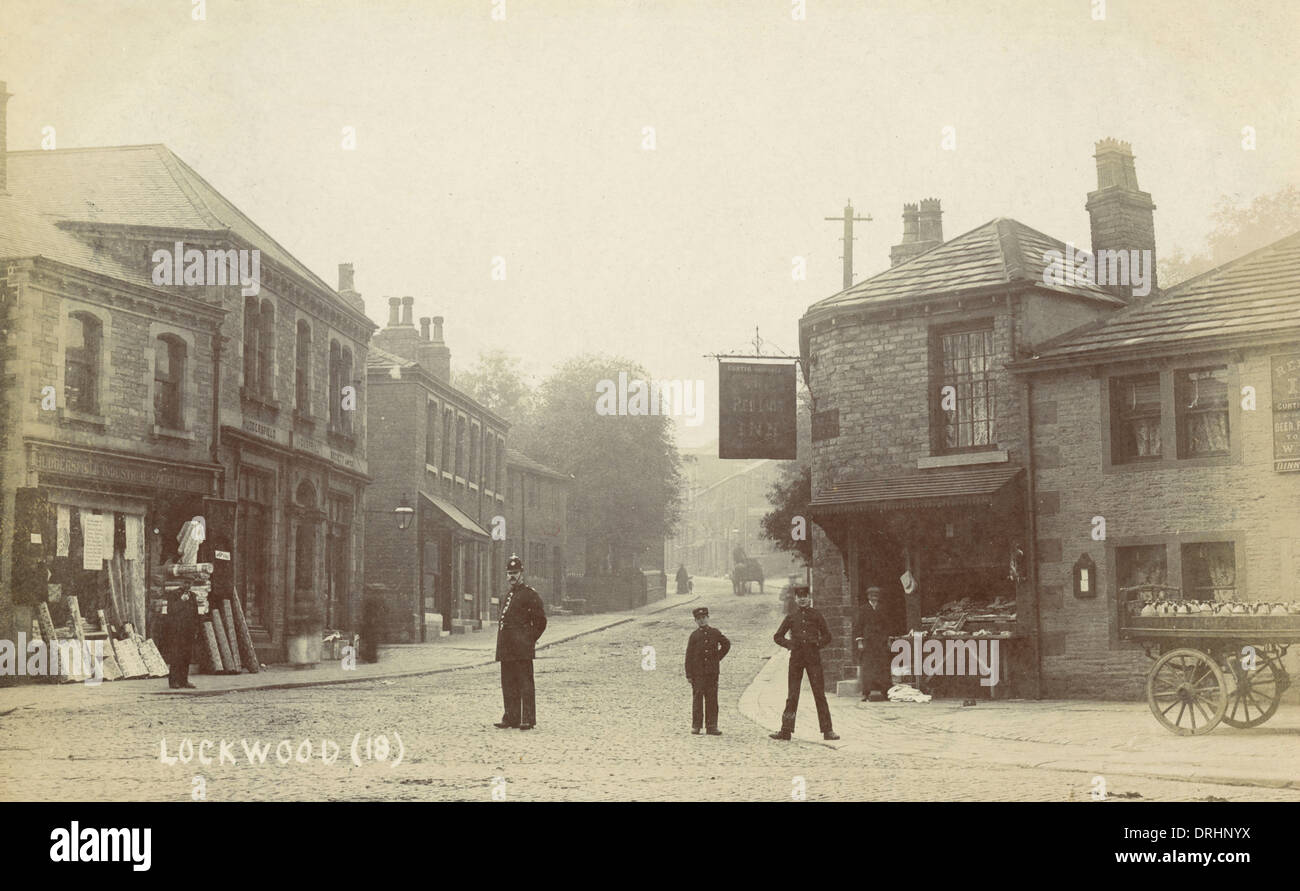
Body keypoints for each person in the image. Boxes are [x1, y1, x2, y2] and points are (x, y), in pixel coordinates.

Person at [770, 585, 839, 741]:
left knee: (819, 694)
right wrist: (789, 644)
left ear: (809, 598)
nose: (802, 599)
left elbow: (828, 636)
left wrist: (817, 644)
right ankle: (786, 730)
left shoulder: (816, 615)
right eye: (799, 596)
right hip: (796, 659)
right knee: (792, 695)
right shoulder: (791, 616)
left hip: (813, 659)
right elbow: (777, 636)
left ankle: (828, 730)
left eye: (805, 596)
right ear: (795, 599)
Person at [494, 554, 547, 730]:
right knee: (508, 683)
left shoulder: (529, 595)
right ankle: (511, 717)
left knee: (525, 683)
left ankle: (527, 719)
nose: (512, 576)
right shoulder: (507, 595)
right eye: (509, 573)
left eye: (515, 572)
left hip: (522, 648)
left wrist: (528, 639)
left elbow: (541, 622)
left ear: (522, 574)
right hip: (506, 648)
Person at [684, 606, 730, 735]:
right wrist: (689, 674)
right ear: (695, 621)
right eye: (698, 619)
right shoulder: (694, 636)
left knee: (712, 698)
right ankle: (696, 725)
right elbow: (688, 656)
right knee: (697, 698)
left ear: (708, 618)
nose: (702, 621)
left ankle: (712, 726)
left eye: (704, 618)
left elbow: (726, 644)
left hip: (711, 673)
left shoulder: (715, 632)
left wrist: (717, 658)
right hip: (698, 673)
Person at [854, 586, 892, 701]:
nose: (874, 598)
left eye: (876, 595)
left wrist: (888, 640)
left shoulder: (883, 608)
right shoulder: (863, 609)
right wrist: (860, 642)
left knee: (883, 666)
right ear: (868, 596)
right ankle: (866, 693)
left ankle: (885, 692)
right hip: (868, 642)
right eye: (872, 595)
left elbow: (887, 625)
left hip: (881, 642)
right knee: (868, 667)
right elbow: (859, 625)